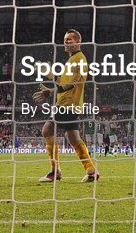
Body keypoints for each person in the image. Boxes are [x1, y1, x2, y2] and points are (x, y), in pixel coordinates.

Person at [34, 29, 99, 183]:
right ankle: (91, 171)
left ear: (78, 42)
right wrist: (49, 74)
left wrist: (51, 91)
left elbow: (72, 84)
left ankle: (55, 171)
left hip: (66, 104)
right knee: (73, 138)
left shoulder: (79, 59)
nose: (66, 41)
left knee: (47, 130)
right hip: (70, 104)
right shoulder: (72, 60)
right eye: (65, 39)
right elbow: (63, 82)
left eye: (70, 39)